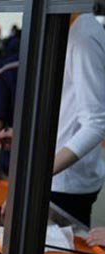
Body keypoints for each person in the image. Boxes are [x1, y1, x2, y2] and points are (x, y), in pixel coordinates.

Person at [49, 13, 105, 227]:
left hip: (65, 181)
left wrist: (37, 176)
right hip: (56, 176)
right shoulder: (68, 29)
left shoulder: (83, 38)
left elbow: (96, 123)